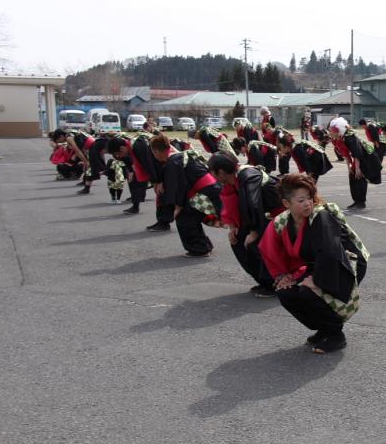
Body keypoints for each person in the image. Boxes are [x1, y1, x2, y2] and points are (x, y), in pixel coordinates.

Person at [260, 173, 369, 353]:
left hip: (346, 261)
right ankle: (324, 328)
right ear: (287, 204)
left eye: (310, 198)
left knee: (309, 291)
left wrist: (316, 279)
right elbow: (269, 248)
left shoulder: (321, 216)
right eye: (301, 200)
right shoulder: (282, 221)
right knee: (286, 292)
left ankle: (335, 334)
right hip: (321, 264)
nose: (308, 203)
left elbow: (330, 251)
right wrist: (282, 275)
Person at [208, 151, 282, 297]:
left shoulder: (248, 175)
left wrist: (254, 232)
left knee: (255, 244)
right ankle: (263, 280)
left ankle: (274, 282)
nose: (212, 177)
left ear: (221, 172)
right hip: (260, 217)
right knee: (237, 240)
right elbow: (235, 205)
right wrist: (233, 226)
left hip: (278, 216)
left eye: (213, 173)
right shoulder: (232, 180)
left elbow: (253, 204)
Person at [151, 134, 222, 257]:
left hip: (205, 191)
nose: (154, 156)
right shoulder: (178, 156)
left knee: (185, 218)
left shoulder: (172, 162)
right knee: (191, 217)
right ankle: (203, 246)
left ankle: (200, 249)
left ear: (157, 151)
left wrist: (178, 206)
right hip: (209, 189)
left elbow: (178, 187)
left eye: (153, 153)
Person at [328, 117, 382, 210]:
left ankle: (361, 202)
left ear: (337, 130)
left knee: (359, 177)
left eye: (332, 130)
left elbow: (357, 153)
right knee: (352, 177)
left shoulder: (350, 137)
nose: (331, 133)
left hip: (366, 158)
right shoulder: (340, 138)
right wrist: (349, 168)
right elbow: (346, 154)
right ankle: (356, 201)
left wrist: (357, 168)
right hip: (359, 158)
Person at [107, 132, 157, 215]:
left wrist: (156, 181)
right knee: (133, 180)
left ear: (122, 148)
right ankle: (135, 206)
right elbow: (127, 160)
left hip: (161, 160)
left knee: (163, 191)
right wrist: (131, 171)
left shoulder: (138, 146)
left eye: (118, 154)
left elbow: (149, 166)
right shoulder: (127, 147)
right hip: (147, 162)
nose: (118, 156)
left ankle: (165, 221)